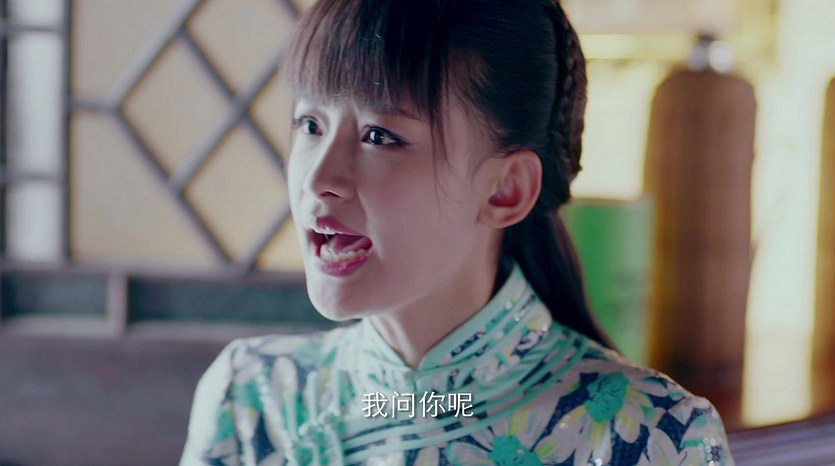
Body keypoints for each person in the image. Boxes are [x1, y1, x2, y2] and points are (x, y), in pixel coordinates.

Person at [180, 0, 734, 464]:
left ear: (505, 190)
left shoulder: (650, 437)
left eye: (379, 136)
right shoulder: (252, 398)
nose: (319, 179)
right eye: (310, 124)